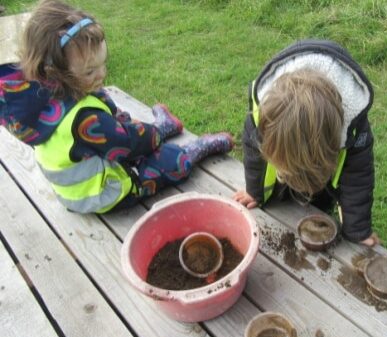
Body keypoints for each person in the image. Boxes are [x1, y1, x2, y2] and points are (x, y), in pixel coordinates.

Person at [0, 0, 233, 214]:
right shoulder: (84, 120)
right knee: (168, 161)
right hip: (103, 191)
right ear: (56, 72)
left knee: (109, 108)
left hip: (87, 169)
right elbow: (129, 144)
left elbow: (112, 124)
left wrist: (127, 124)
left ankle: (162, 128)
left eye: (103, 63)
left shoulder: (44, 93)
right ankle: (194, 150)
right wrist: (154, 137)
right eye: (90, 71)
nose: (102, 73)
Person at [233, 40, 378, 246]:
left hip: (326, 146)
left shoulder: (353, 127)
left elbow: (358, 176)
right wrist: (254, 191)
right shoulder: (264, 112)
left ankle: (320, 196)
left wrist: (358, 230)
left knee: (321, 197)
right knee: (282, 190)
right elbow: (254, 153)